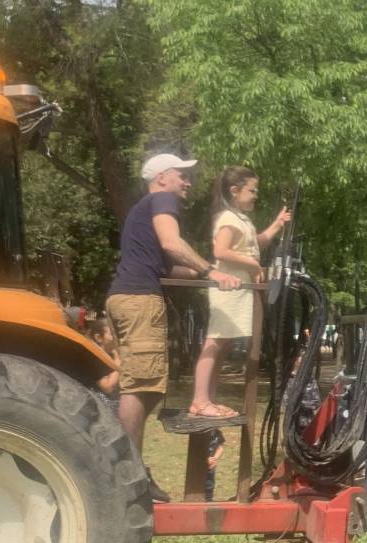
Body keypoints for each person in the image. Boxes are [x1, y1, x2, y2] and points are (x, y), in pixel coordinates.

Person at [105, 153, 242, 503]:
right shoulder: (161, 200)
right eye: (182, 175)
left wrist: (206, 272)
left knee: (142, 384)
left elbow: (169, 266)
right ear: (162, 177)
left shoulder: (144, 209)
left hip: (127, 297)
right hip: (138, 301)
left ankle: (126, 469)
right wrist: (213, 272)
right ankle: (129, 476)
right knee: (143, 387)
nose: (188, 182)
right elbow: (172, 244)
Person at [189, 166, 291, 418]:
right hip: (228, 287)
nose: (256, 195)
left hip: (239, 289)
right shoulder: (228, 219)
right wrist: (253, 265)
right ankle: (199, 400)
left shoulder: (241, 219)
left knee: (224, 343)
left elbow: (255, 244)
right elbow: (220, 252)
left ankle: (208, 399)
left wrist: (277, 224)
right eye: (252, 190)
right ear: (234, 191)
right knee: (215, 341)